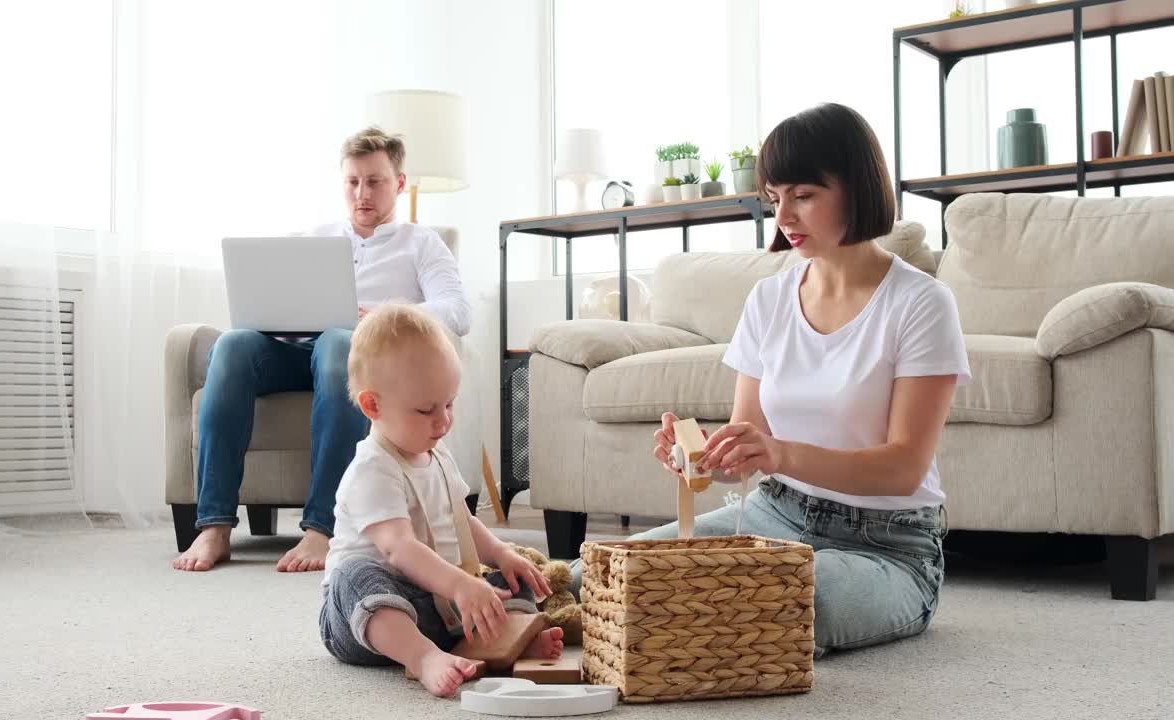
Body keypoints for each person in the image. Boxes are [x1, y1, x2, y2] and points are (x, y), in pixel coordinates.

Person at [574, 103, 971, 657]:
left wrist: (779, 454)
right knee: (594, 575)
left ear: (856, 187)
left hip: (887, 546)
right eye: (774, 197)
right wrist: (702, 457)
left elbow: (904, 467)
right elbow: (749, 436)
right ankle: (437, 611)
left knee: (778, 604)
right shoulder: (769, 298)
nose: (784, 215)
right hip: (774, 514)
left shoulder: (921, 303)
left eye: (804, 195)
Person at [174, 127, 472, 573]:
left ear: (400, 183)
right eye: (353, 182)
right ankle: (215, 526)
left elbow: (458, 311)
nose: (362, 193)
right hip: (291, 348)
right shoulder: (316, 236)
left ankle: (321, 529)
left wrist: (380, 316)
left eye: (374, 181)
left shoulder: (421, 242)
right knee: (232, 344)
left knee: (339, 340)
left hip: (350, 354)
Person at [319, 304, 563, 698]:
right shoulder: (373, 468)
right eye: (425, 409)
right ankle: (422, 657)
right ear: (372, 406)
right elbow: (399, 550)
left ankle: (508, 643)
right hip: (369, 621)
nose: (443, 421)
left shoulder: (437, 451)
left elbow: (462, 519)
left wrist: (501, 554)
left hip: (439, 607)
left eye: (449, 404)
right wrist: (460, 586)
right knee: (353, 573)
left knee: (507, 580)